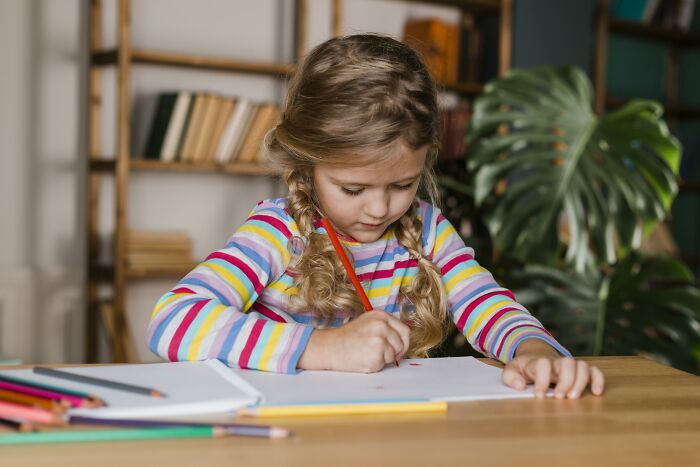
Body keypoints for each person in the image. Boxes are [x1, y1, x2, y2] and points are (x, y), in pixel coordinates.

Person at [147, 34, 604, 399]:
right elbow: (174, 321)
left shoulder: (426, 230)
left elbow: (484, 302)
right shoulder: (280, 231)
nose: (380, 208)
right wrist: (323, 348)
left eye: (402, 185)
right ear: (308, 164)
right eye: (353, 189)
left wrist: (533, 349)